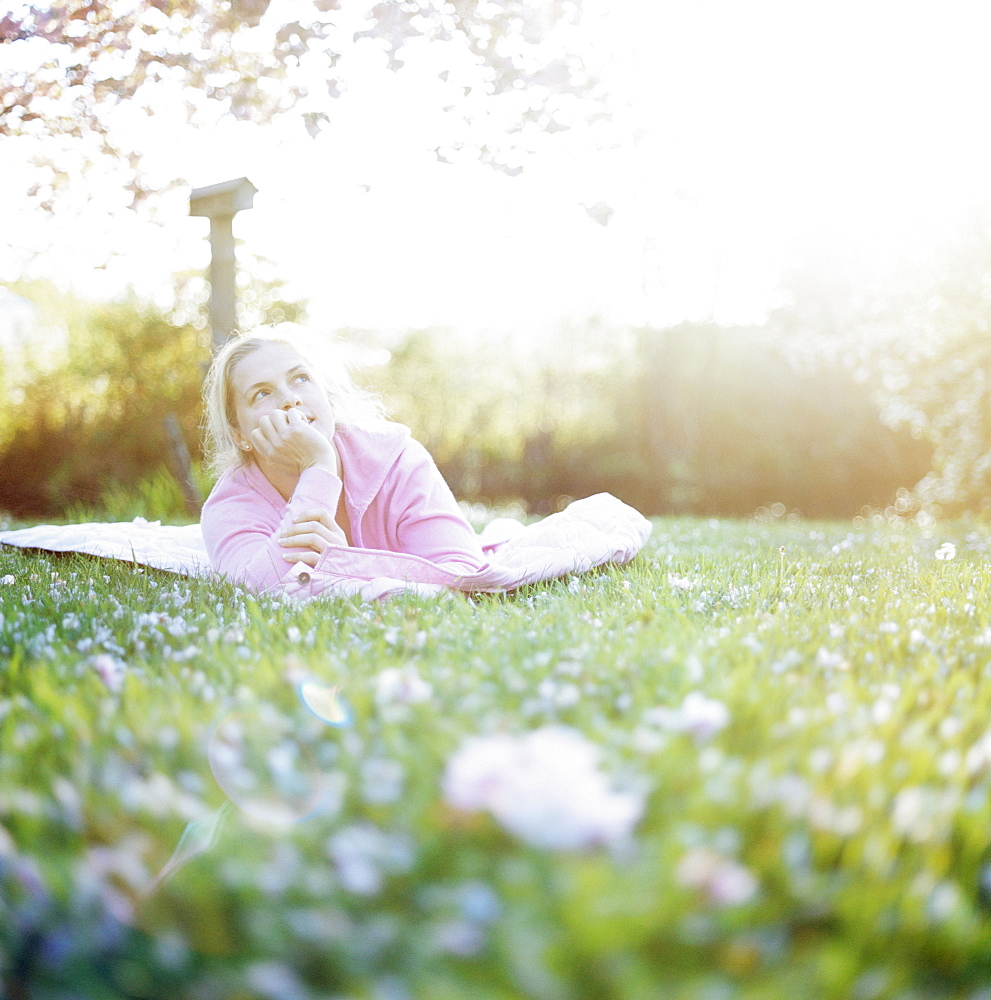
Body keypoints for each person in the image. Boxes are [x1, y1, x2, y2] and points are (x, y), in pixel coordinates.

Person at [200, 324, 491, 594]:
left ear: (325, 394)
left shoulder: (398, 458)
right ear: (239, 435)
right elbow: (254, 593)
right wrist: (318, 467)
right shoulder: (230, 505)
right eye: (261, 393)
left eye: (300, 378)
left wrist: (348, 564)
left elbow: (464, 576)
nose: (290, 398)